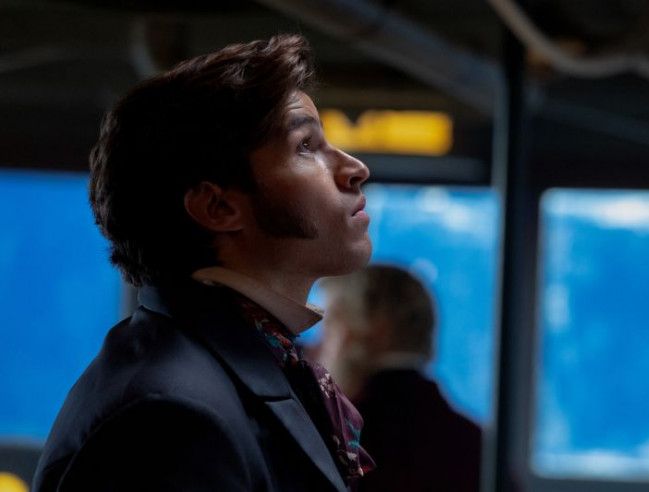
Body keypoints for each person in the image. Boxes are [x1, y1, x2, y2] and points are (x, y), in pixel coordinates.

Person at [32, 34, 375, 492]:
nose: (355, 168)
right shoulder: (169, 418)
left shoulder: (220, 366)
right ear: (218, 208)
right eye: (305, 146)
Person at [317, 265, 482, 492]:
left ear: (375, 329)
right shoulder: (476, 442)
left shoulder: (341, 440)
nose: (317, 347)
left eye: (329, 328)